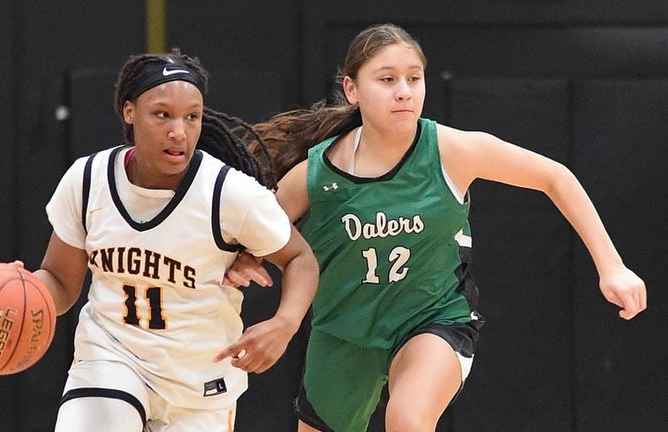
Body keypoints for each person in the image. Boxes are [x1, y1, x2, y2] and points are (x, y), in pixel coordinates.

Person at [224, 23, 647, 432]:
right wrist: (244, 258)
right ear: (352, 89)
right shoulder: (316, 175)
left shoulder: (452, 150)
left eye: (414, 78)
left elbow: (556, 177)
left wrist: (612, 266)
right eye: (387, 79)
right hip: (344, 331)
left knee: (407, 420)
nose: (404, 91)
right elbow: (254, 235)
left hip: (433, 319)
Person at [0, 51, 319, 432]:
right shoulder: (88, 180)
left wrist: (285, 323)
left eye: (191, 116)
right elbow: (59, 282)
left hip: (198, 382)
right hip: (111, 357)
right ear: (129, 112)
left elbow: (299, 257)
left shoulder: (228, 193)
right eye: (162, 115)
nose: (179, 130)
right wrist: (12, 287)